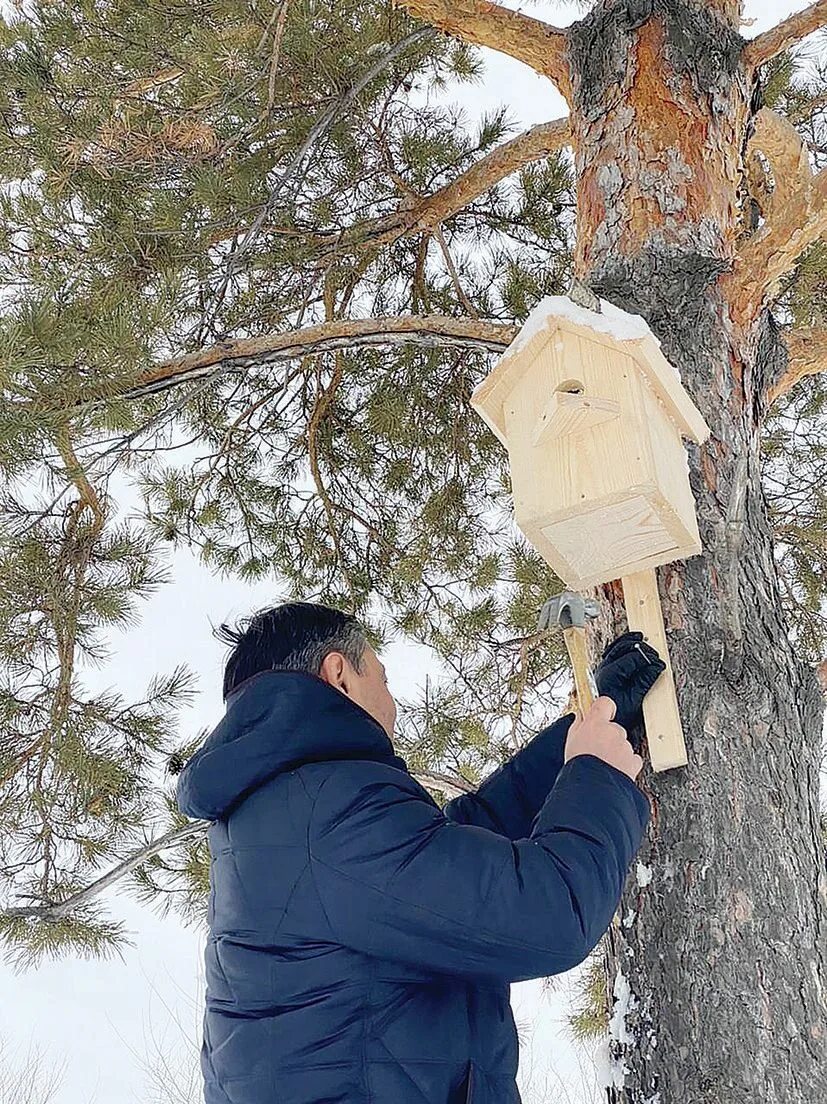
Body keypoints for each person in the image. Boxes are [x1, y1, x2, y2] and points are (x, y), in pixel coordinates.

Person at [176, 601, 665, 1104]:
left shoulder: (287, 814)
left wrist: (579, 737)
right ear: (340, 675)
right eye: (382, 679)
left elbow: (450, 860)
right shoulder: (325, 814)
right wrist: (595, 777)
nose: (393, 703)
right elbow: (552, 912)